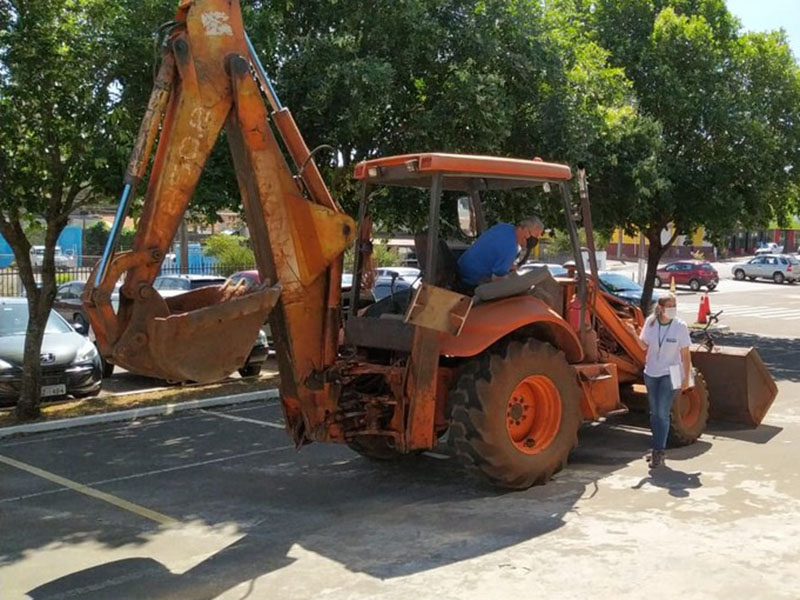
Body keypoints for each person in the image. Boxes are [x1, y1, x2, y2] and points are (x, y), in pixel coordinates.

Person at [638, 293, 693, 468]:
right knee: (655, 413)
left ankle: (658, 451)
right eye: (669, 306)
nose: (673, 309)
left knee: (662, 411)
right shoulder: (651, 323)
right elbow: (644, 345)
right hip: (651, 372)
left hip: (672, 373)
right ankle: (656, 446)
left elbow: (685, 354)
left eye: (674, 305)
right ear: (660, 308)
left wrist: (686, 378)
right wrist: (632, 334)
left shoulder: (680, 326)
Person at [457, 217, 544, 287]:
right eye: (534, 236)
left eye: (537, 238)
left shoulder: (504, 227)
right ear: (524, 229)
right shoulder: (510, 247)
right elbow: (499, 277)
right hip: (471, 279)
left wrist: (508, 266)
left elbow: (493, 252)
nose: (534, 240)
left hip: (460, 267)